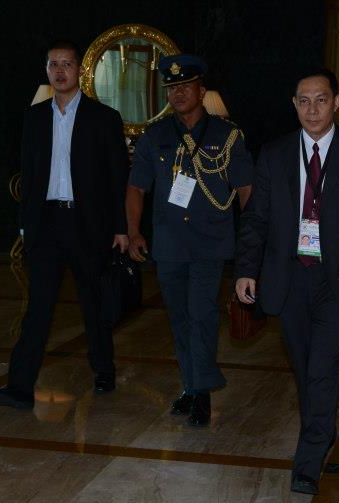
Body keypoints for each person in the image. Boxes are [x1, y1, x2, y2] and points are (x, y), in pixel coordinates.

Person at [235, 68, 339, 496]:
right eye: (304, 101)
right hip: (288, 277)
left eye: (321, 100)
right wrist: (246, 269)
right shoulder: (275, 153)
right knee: (304, 367)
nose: (312, 109)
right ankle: (319, 428)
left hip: (338, 280)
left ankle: (309, 458)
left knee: (321, 368)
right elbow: (256, 218)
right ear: (294, 105)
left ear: (337, 103)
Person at [0, 39, 128, 410]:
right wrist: (25, 225)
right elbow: (29, 176)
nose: (60, 71)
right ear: (46, 71)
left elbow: (117, 178)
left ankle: (104, 369)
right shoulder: (34, 118)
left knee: (93, 303)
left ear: (79, 69)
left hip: (88, 223)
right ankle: (20, 386)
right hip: (46, 223)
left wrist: (121, 228)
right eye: (54, 64)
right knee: (38, 307)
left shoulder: (104, 118)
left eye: (67, 64)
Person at [125, 54, 252, 427]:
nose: (178, 93)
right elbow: (136, 187)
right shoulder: (155, 136)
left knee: (201, 314)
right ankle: (191, 384)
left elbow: (246, 189)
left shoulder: (227, 136)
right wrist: (133, 231)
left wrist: (252, 239)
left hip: (210, 242)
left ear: (201, 90)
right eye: (172, 88)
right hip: (169, 244)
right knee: (179, 318)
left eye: (185, 86)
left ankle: (201, 392)